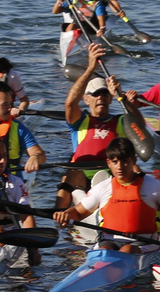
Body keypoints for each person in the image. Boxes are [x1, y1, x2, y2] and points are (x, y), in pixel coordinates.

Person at [53, 138, 160, 255]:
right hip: (108, 241)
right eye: (115, 162)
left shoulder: (153, 186)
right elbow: (78, 212)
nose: (120, 167)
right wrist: (65, 214)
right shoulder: (103, 187)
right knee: (105, 251)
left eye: (125, 161)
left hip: (143, 242)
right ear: (109, 163)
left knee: (127, 250)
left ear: (134, 161)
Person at [58, 47, 143, 208]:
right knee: (69, 175)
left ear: (110, 99)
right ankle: (58, 219)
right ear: (86, 99)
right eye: (95, 94)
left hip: (111, 178)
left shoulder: (120, 121)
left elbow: (140, 127)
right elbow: (70, 103)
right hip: (82, 179)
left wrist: (121, 97)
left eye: (105, 94)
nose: (100, 98)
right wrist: (91, 68)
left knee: (136, 169)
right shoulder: (80, 121)